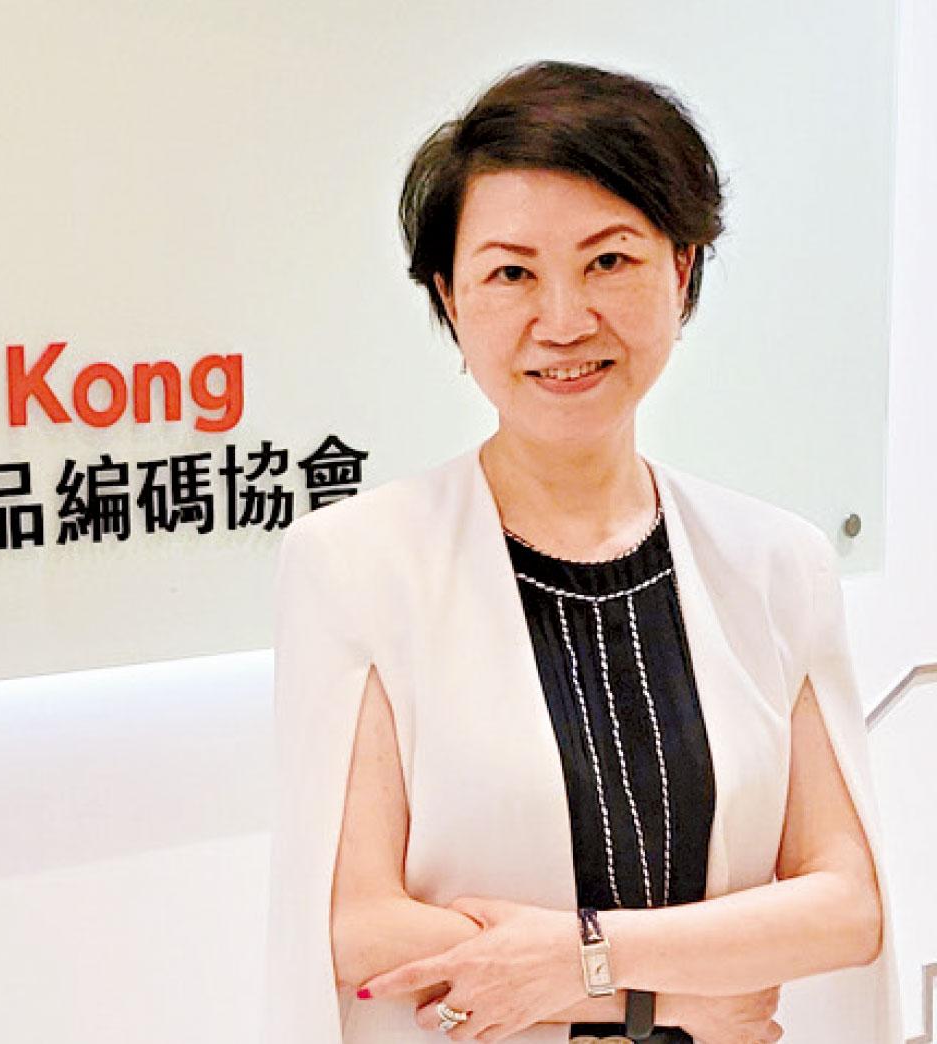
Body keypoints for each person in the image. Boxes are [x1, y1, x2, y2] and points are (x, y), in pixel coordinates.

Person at [265, 61, 899, 1044]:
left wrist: (579, 957)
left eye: (608, 261)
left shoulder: (775, 561)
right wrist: (657, 997)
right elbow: (355, 927)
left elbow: (845, 906)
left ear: (680, 271)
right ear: (449, 297)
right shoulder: (357, 563)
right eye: (511, 273)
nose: (563, 322)